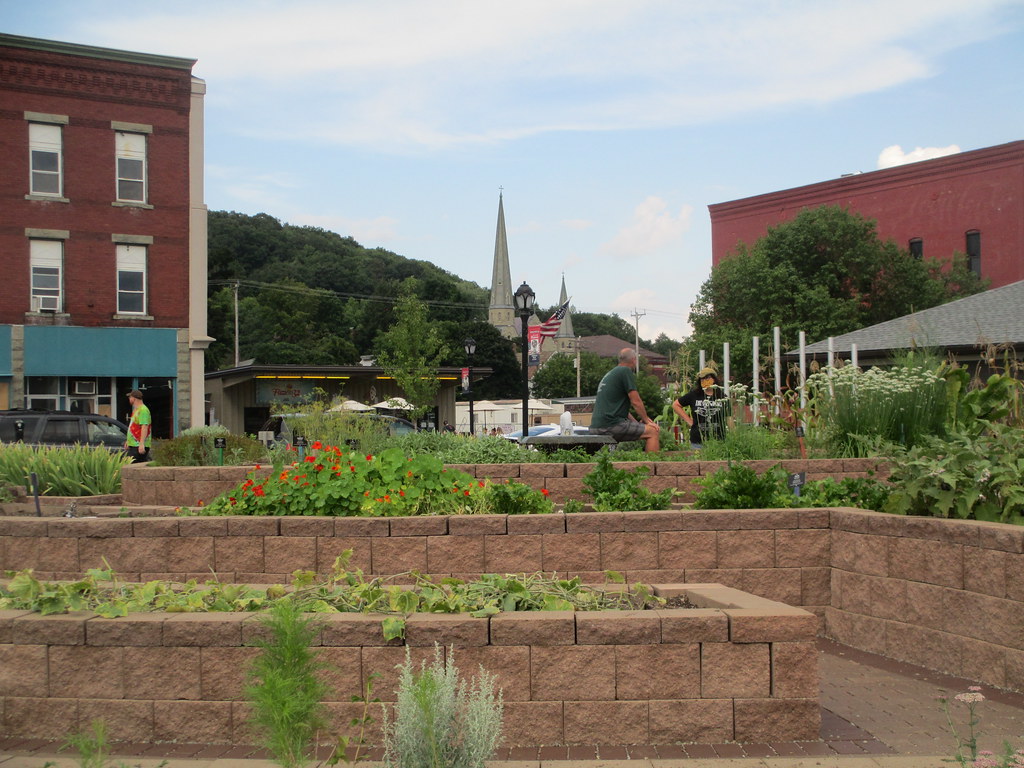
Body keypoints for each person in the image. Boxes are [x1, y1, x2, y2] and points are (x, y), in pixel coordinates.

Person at [589, 348, 660, 452]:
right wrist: (646, 421)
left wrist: (637, 423)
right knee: (653, 432)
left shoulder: (610, 374)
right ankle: (654, 466)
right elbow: (636, 401)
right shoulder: (625, 371)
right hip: (611, 425)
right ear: (634, 360)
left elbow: (620, 410)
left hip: (596, 426)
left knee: (646, 430)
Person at [673, 366, 728, 450]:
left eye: (707, 378)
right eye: (702, 379)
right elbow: (676, 405)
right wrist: (689, 421)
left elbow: (729, 417)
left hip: (719, 440)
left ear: (714, 379)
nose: (704, 380)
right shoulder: (694, 395)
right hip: (698, 441)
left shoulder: (722, 396)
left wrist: (733, 434)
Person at [124, 389, 152, 462]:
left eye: (130, 397)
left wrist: (141, 444)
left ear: (134, 398)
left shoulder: (143, 410)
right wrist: (128, 441)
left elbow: (144, 427)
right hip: (134, 444)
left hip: (138, 445)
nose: (129, 399)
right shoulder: (137, 410)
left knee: (132, 466)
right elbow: (133, 426)